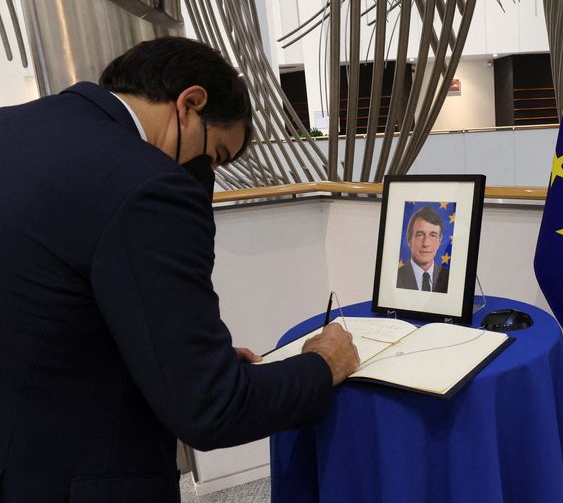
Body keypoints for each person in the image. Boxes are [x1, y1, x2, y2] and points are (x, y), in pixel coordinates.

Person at [0, 36, 359, 502]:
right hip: (76, 476)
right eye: (213, 157)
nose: (203, 173)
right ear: (191, 103)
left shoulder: (15, 126)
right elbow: (212, 408)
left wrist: (169, 358)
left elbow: (43, 300)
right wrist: (322, 365)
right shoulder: (149, 186)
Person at [396, 206, 450, 293]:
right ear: (409, 239)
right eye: (420, 235)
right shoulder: (395, 277)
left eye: (433, 235)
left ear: (439, 241)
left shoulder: (450, 278)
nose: (425, 243)